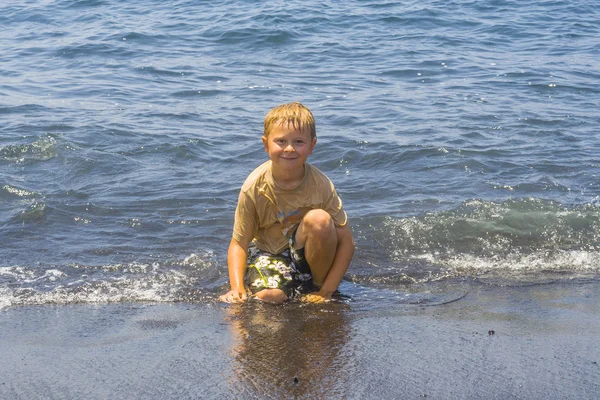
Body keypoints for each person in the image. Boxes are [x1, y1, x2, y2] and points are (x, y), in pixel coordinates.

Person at [219, 102, 354, 304]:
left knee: (320, 219)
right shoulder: (254, 186)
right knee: (270, 298)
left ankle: (314, 285)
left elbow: (346, 243)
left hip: (309, 256)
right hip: (269, 252)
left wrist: (326, 290)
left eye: (298, 142)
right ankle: (287, 287)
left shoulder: (321, 184)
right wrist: (236, 288)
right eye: (280, 141)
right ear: (266, 144)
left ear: (312, 146)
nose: (289, 148)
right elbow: (239, 243)